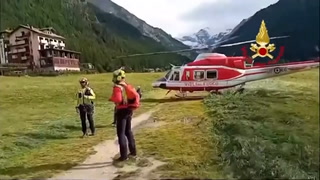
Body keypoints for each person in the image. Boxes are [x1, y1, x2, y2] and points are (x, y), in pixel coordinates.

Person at [109, 69, 140, 161]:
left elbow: (118, 99)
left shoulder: (117, 87)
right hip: (129, 110)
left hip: (121, 111)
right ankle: (133, 152)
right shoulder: (127, 85)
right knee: (128, 131)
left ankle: (123, 156)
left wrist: (112, 99)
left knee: (121, 133)